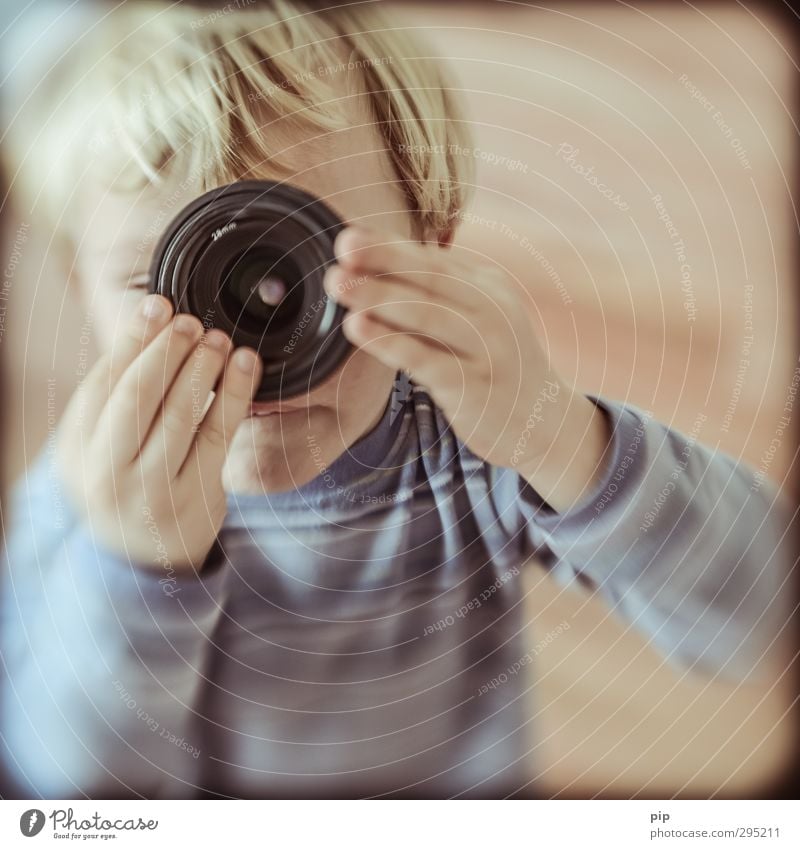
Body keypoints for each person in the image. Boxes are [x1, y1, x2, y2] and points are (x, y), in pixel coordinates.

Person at [0, 1, 793, 798]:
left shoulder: (479, 443)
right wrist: (133, 570)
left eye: (286, 267)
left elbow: (758, 614)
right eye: (161, 278)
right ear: (80, 288)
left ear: (431, 241)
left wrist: (564, 439)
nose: (245, 343)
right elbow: (71, 794)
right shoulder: (83, 497)